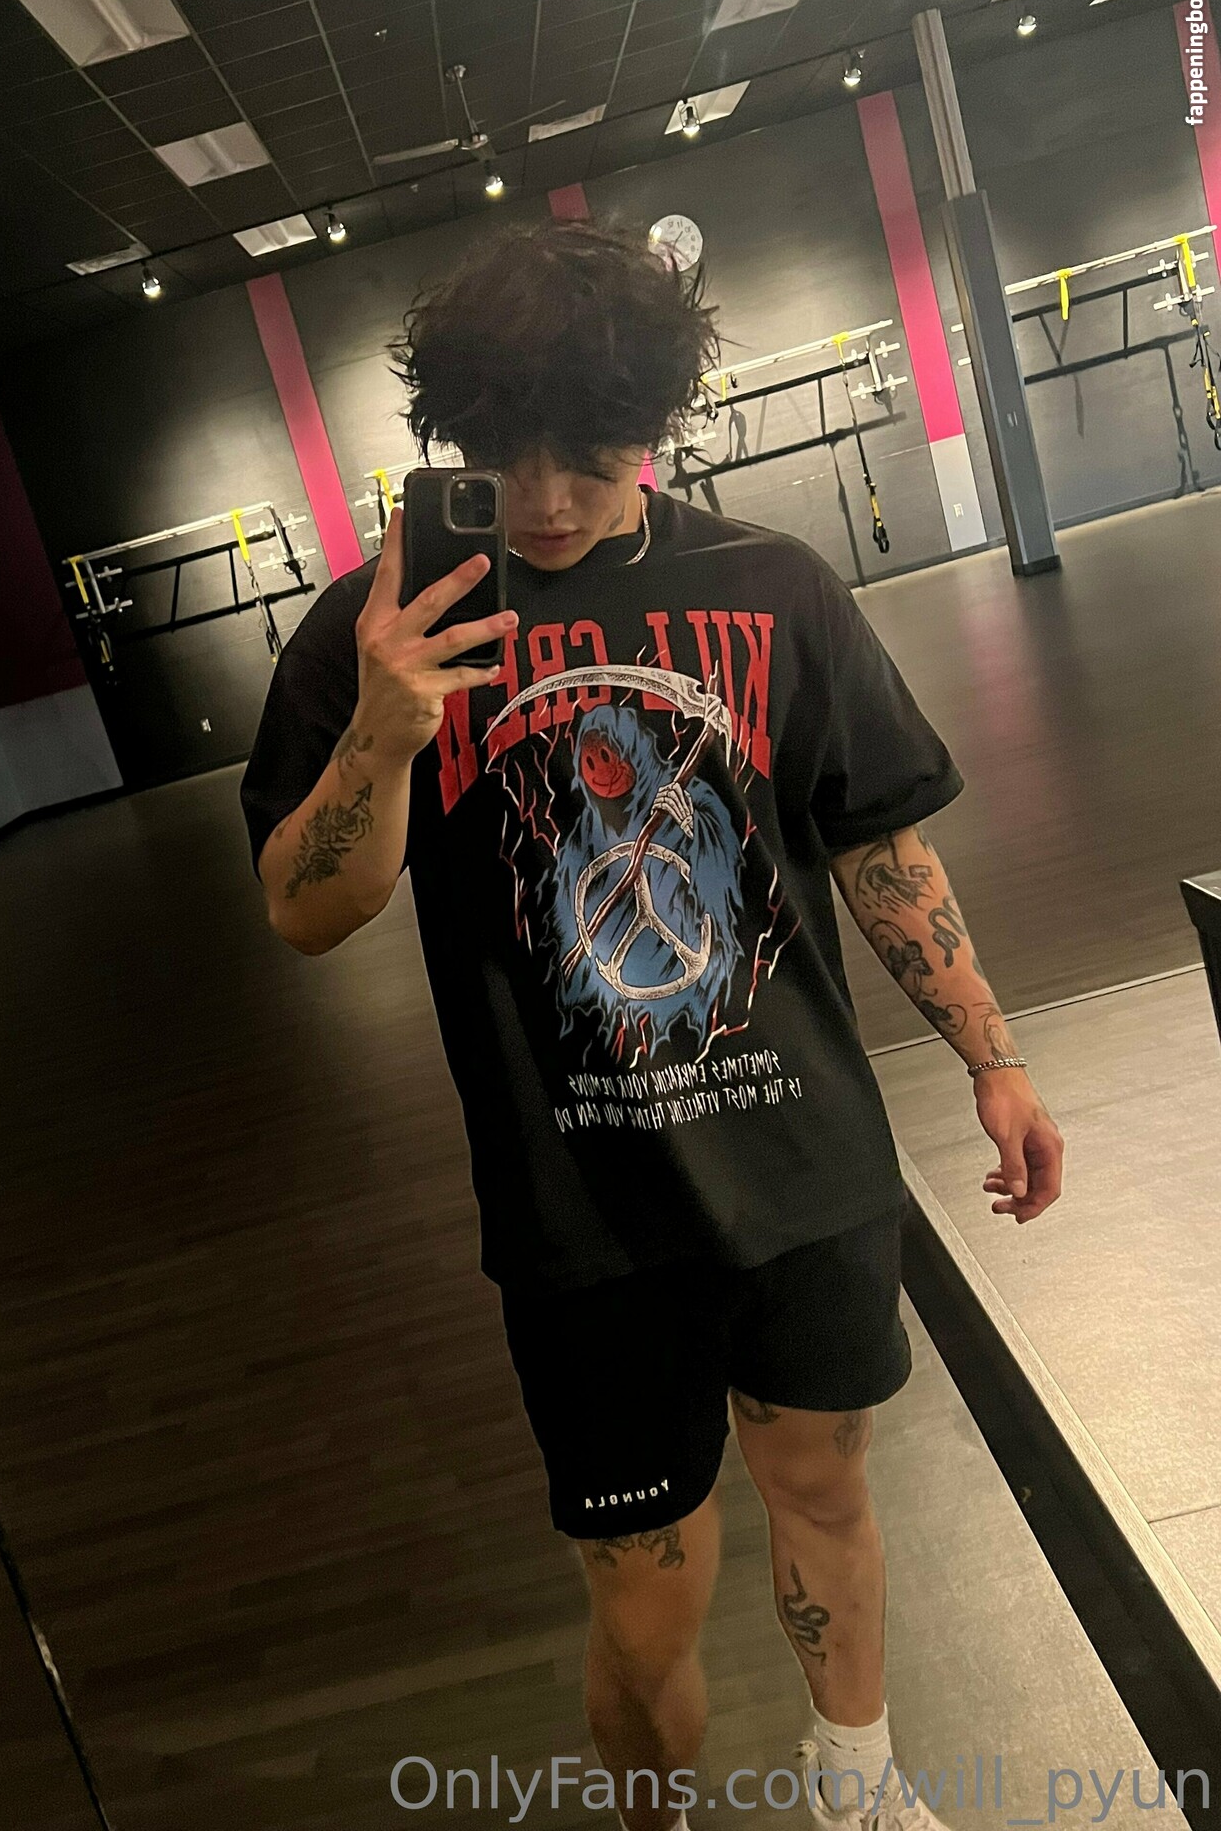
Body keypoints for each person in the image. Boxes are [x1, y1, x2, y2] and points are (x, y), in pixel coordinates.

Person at [239, 219, 1065, 1831]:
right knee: (642, 1594)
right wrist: (385, 735)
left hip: (805, 1166)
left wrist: (995, 1056)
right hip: (583, 1220)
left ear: (658, 421)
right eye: (508, 455)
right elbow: (305, 911)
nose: (547, 497)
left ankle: (856, 1789)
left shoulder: (772, 586)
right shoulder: (373, 627)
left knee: (827, 1489)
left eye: (591, 450)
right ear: (458, 434)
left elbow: (879, 845)